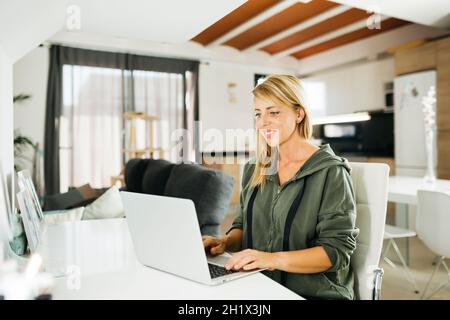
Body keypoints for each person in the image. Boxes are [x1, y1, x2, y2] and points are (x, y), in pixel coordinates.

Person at [202, 75, 359, 300]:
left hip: (312, 292)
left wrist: (272, 259)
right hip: (258, 284)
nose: (262, 122)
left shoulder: (331, 172)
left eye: (273, 112)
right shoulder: (254, 169)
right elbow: (243, 225)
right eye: (258, 113)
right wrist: (225, 242)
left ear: (299, 113)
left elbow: (336, 252)